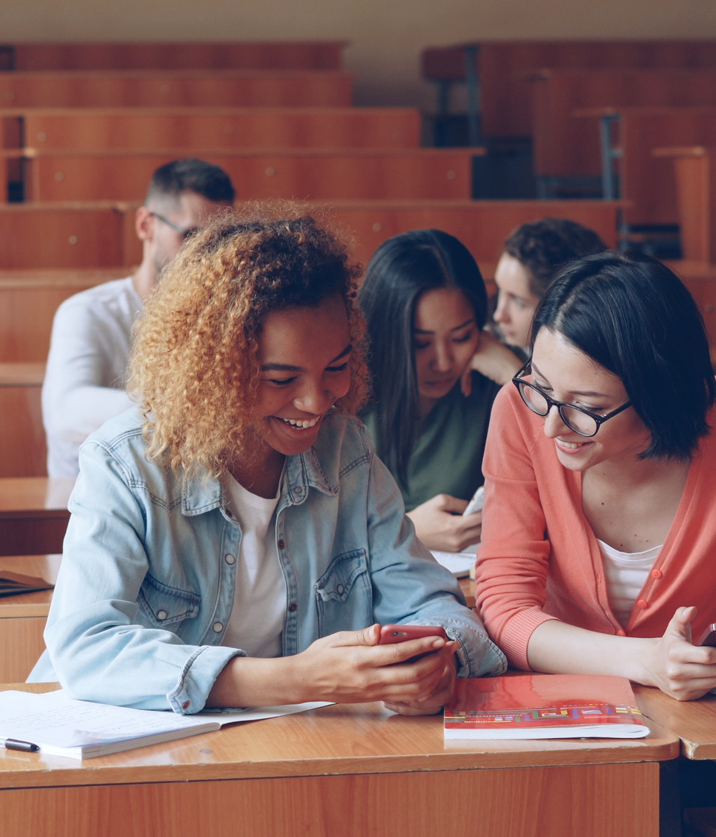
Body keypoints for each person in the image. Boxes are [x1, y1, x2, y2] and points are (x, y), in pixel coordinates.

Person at [30, 207, 505, 713]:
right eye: (281, 380)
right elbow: (86, 647)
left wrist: (433, 660)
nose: (317, 401)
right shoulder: (125, 463)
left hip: (292, 746)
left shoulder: (348, 455)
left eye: (337, 368)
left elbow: (433, 604)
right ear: (214, 370)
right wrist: (296, 681)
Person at [474, 251, 716, 701]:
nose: (552, 426)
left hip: (701, 707)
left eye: (589, 408)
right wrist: (646, 661)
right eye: (542, 388)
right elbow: (504, 608)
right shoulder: (517, 412)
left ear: (663, 394)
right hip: (558, 701)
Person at [41, 158, 236, 478]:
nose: (206, 255)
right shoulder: (87, 311)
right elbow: (66, 411)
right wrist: (189, 410)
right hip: (86, 503)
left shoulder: (225, 315)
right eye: (190, 236)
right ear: (146, 224)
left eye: (220, 240)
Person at [358, 230, 495, 552]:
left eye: (461, 338)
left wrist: (514, 373)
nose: (444, 362)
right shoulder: (343, 392)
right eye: (419, 344)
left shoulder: (496, 386)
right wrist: (407, 530)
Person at [467, 217, 609, 387]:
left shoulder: (595, 369)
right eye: (499, 291)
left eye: (518, 302)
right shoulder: (487, 338)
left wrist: (510, 371)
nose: (499, 315)